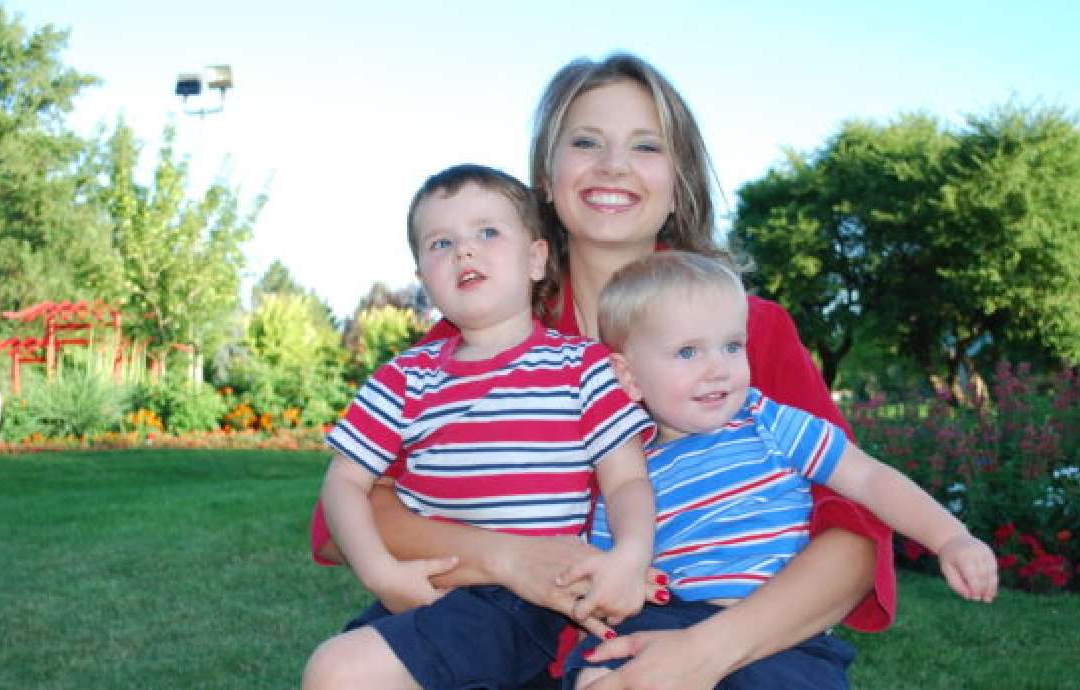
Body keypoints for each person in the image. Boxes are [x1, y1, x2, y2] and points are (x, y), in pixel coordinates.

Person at [311, 53, 897, 689]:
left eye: (646, 146)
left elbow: (854, 538)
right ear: (546, 174)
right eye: (586, 141)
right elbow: (356, 514)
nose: (613, 165)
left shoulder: (748, 332)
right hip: (504, 632)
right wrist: (509, 558)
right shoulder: (473, 337)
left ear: (681, 182)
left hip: (722, 637)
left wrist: (702, 654)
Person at [560, 250, 999, 689]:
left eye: (732, 346)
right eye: (688, 351)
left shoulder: (769, 422)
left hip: (777, 634)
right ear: (629, 375)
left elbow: (868, 478)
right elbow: (610, 578)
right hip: (665, 620)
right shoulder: (627, 469)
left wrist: (950, 538)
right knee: (596, 672)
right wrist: (619, 586)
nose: (718, 368)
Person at [302, 164, 657, 690]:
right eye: (441, 243)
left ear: (536, 259)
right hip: (432, 583)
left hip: (523, 605)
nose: (464, 251)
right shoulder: (404, 379)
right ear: (423, 279)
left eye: (487, 232)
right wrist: (380, 573)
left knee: (339, 672)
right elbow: (343, 482)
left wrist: (630, 556)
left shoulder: (582, 368)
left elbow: (626, 478)